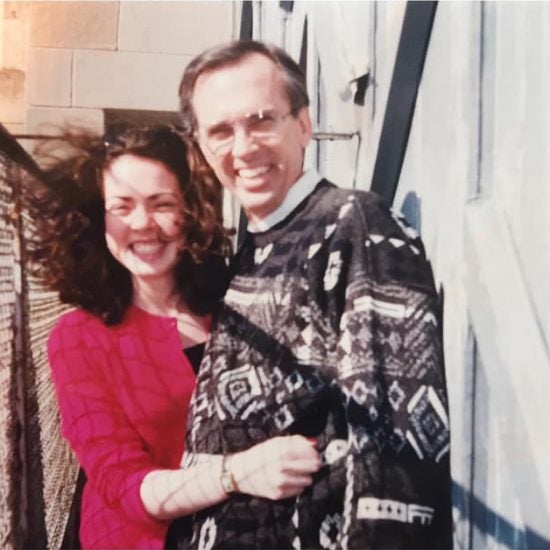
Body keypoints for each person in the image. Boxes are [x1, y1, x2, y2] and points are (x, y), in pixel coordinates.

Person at [174, 40, 453, 549]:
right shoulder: (255, 243)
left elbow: (400, 445)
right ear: (202, 148)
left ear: (302, 124)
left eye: (261, 120)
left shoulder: (356, 225)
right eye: (220, 131)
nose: (244, 148)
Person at [27, 125, 322, 550]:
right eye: (122, 207)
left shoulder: (238, 299)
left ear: (190, 213)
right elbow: (124, 485)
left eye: (162, 204)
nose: (144, 224)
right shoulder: (79, 338)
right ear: (99, 219)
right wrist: (236, 473)